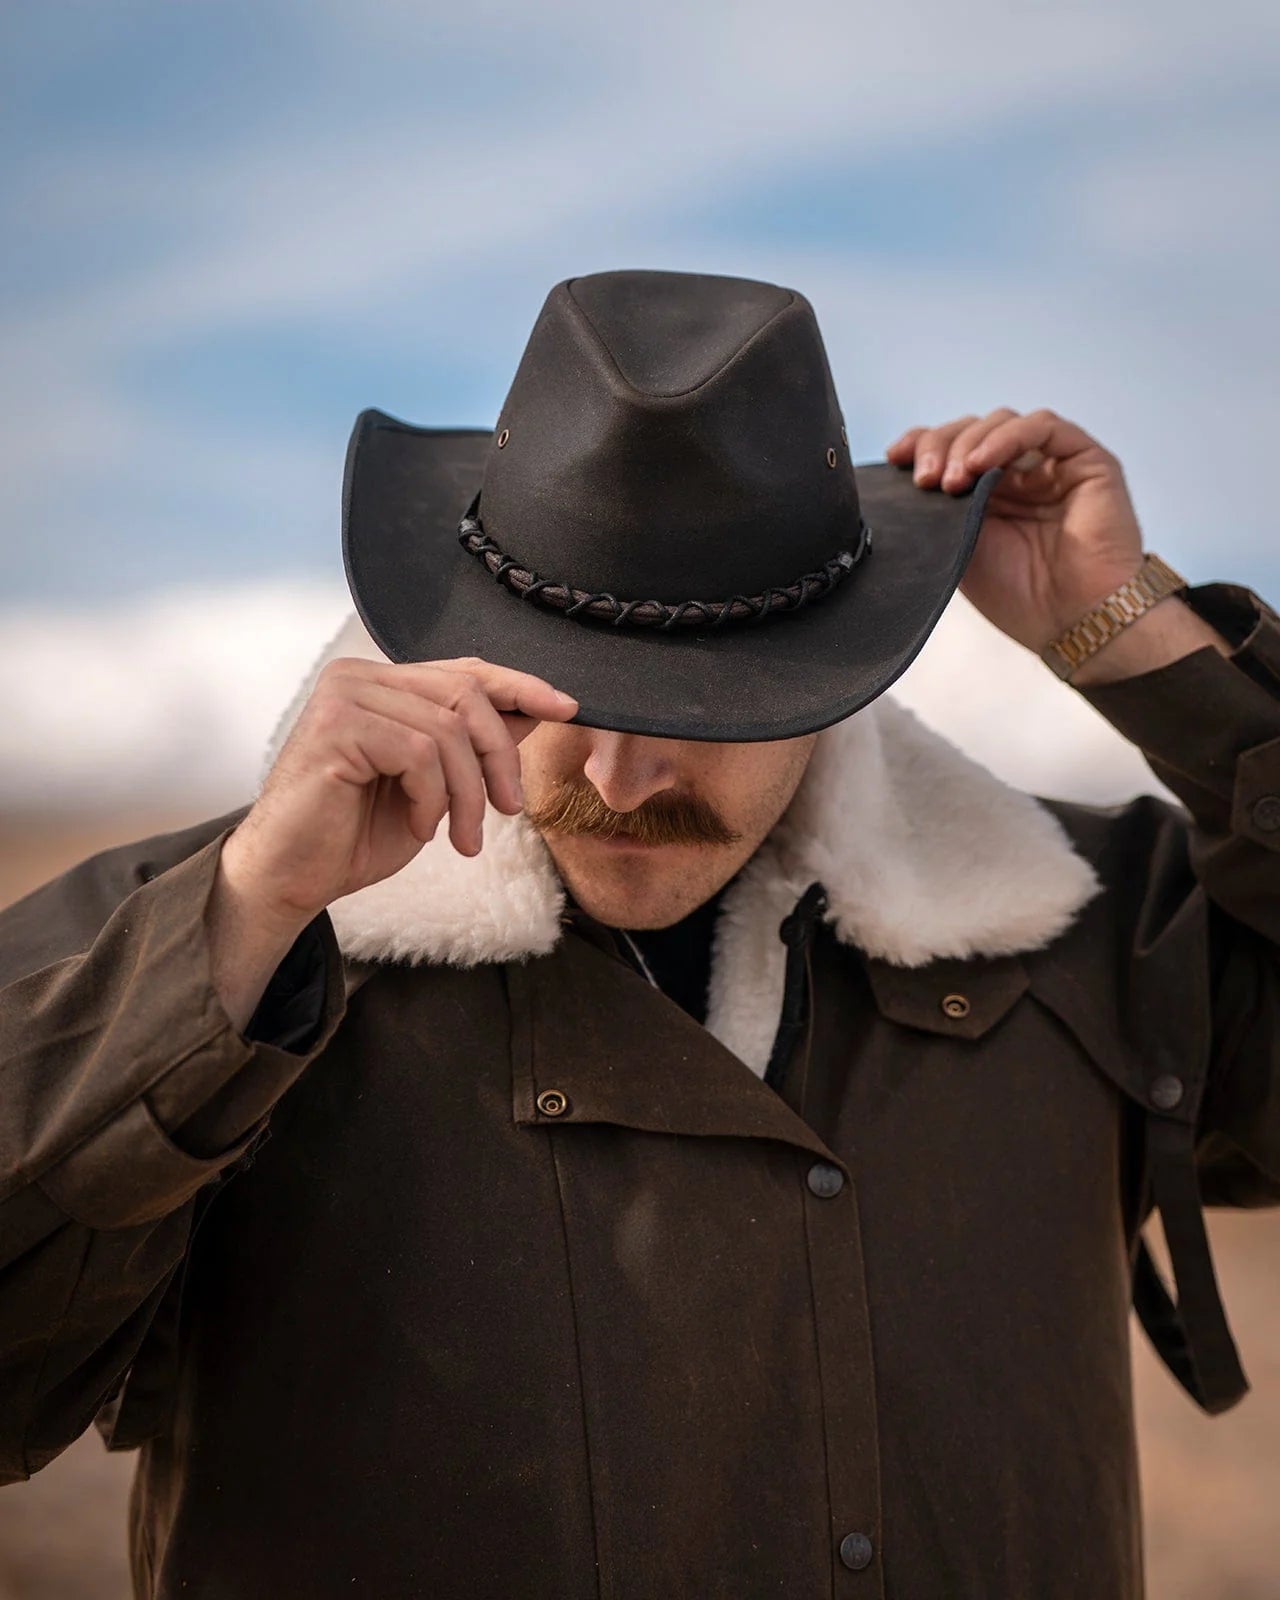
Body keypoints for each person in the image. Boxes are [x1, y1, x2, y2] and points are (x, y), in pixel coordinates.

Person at [1, 269, 1277, 1600]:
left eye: (704, 710)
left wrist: (1141, 639)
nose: (617, 782)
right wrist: (242, 917)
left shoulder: (1081, 928)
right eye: (567, 695)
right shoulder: (217, 928)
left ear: (836, 675)